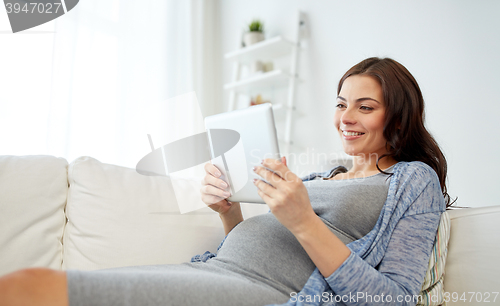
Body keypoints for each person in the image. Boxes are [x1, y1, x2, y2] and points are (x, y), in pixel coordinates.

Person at [0, 57, 451, 306]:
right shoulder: (325, 173)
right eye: (340, 103)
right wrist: (229, 210)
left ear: (398, 114)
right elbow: (260, 242)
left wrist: (304, 221)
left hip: (260, 292)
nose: (345, 118)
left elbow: (392, 301)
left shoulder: (413, 180)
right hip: (214, 269)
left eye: (364, 107)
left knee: (33, 288)